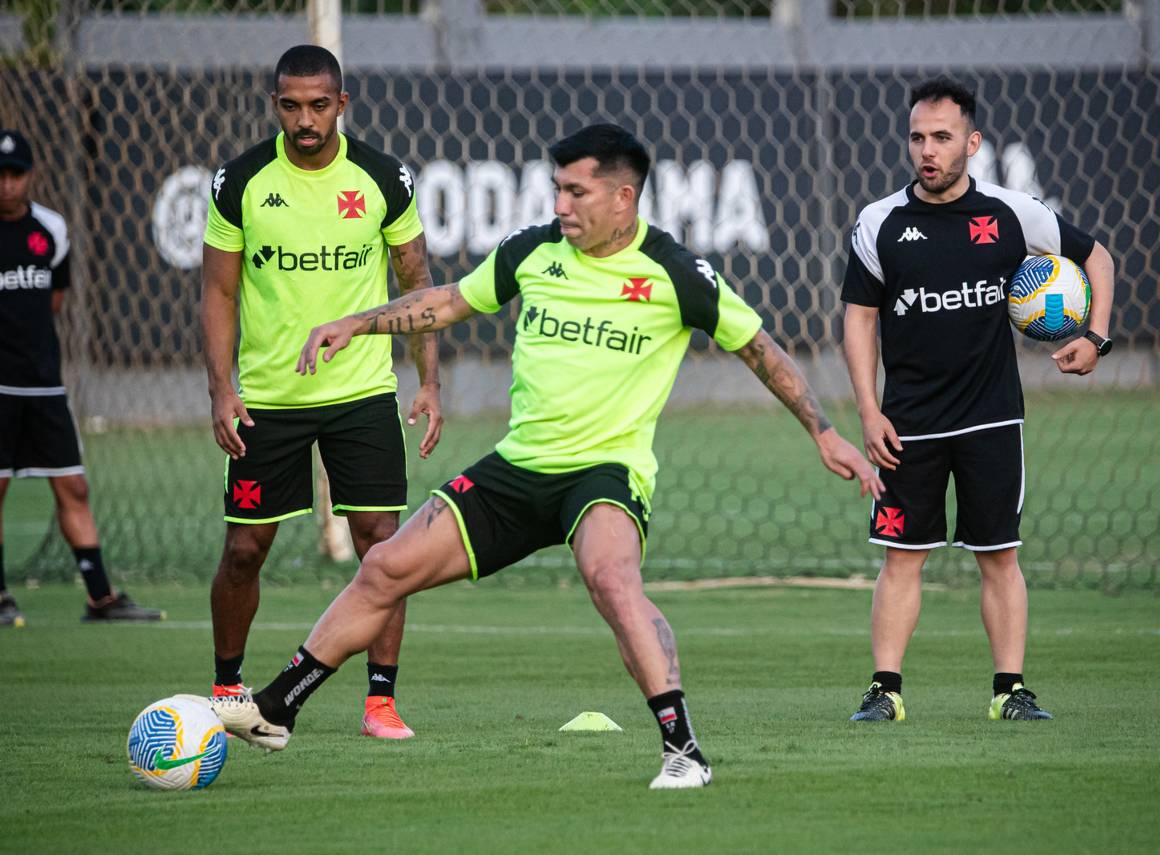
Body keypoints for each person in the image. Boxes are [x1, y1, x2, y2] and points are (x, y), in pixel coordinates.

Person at [212, 123, 884, 788]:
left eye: (575, 191)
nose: (560, 205)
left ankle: (683, 749)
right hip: (517, 468)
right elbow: (447, 302)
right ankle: (276, 708)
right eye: (556, 189)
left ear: (623, 198)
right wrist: (358, 321)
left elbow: (758, 348)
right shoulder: (532, 251)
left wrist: (823, 431)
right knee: (385, 567)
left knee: (611, 578)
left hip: (603, 473)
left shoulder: (674, 272)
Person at [841, 77, 1116, 722]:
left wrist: (1096, 337)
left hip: (993, 416)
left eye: (942, 138)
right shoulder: (880, 223)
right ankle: (885, 690)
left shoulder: (1012, 213)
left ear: (973, 142)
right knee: (901, 560)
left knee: (1000, 556)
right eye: (917, 138)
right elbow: (858, 318)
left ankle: (1010, 692)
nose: (927, 151)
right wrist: (867, 409)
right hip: (907, 421)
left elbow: (1097, 257)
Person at [200, 45, 443, 739]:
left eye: (317, 105)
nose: (304, 119)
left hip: (363, 392)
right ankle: (226, 688)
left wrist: (427, 380)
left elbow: (417, 283)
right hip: (268, 399)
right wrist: (221, 389)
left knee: (383, 548)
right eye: (290, 105)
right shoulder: (239, 181)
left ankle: (380, 702)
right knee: (245, 549)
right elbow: (218, 290)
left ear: (341, 102)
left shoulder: (381, 176)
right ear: (274, 103)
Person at [0, 129, 164, 627]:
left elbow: (53, 300)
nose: (7, 185)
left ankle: (100, 597)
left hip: (44, 384)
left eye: (15, 175)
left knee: (72, 486)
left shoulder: (51, 229)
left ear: (31, 176)